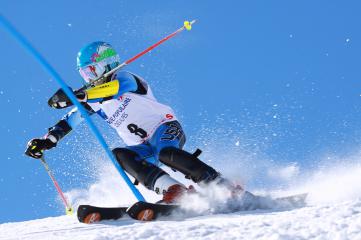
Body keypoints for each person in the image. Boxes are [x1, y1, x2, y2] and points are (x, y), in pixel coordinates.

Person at [25, 41, 241, 204]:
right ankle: (174, 191)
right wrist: (47, 140)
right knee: (121, 155)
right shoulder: (92, 100)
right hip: (144, 146)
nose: (89, 78)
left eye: (91, 70)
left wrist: (79, 95)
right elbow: (69, 121)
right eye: (84, 73)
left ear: (106, 65)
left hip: (166, 128)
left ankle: (220, 184)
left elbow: (114, 90)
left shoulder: (127, 78)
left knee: (166, 153)